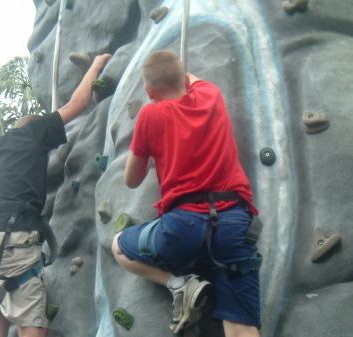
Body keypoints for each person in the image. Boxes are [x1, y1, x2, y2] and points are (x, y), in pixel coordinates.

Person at [112, 50, 262, 337]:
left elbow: (132, 179)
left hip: (181, 229)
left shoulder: (150, 114)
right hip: (233, 224)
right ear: (184, 78)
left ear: (148, 90)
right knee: (242, 327)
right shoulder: (210, 94)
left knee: (119, 245)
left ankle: (179, 285)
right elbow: (194, 80)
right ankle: (215, 279)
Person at [0, 53, 111, 337]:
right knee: (33, 324)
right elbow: (77, 105)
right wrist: (96, 66)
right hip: (11, 239)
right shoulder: (35, 131)